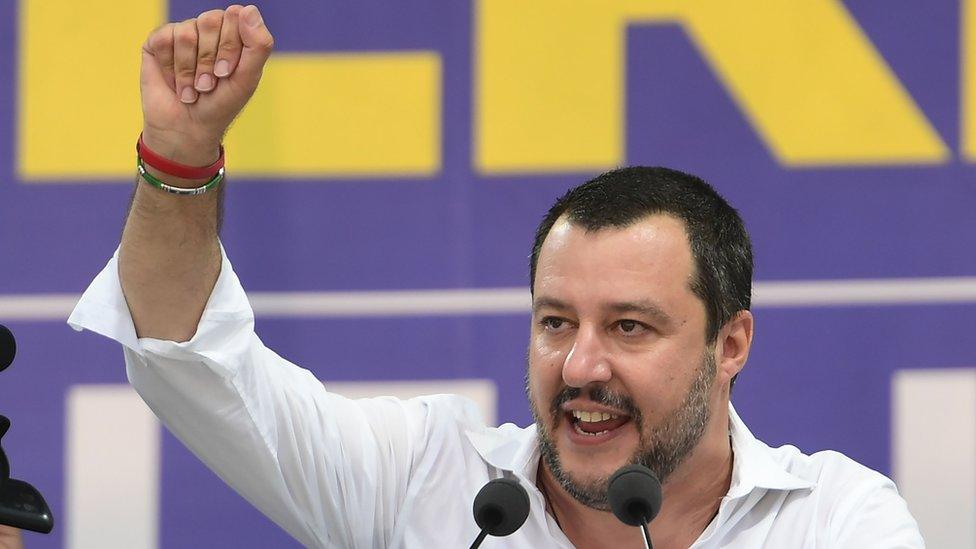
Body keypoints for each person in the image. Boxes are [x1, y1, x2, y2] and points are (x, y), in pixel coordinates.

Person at [68, 5, 924, 548]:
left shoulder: (837, 519)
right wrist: (178, 159)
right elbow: (188, 356)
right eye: (557, 321)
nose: (581, 366)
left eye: (629, 326)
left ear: (729, 342)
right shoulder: (426, 484)